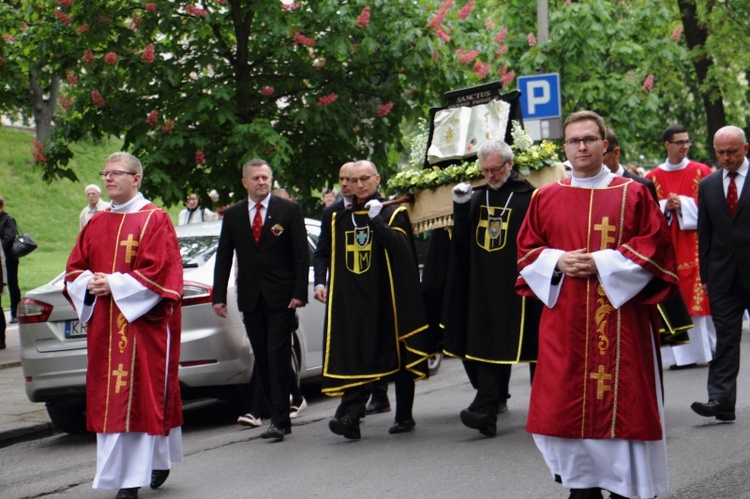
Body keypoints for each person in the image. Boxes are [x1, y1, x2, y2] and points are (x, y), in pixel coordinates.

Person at [516, 111, 678, 499]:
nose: (582, 147)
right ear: (565, 148)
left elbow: (656, 246)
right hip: (566, 324)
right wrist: (557, 260)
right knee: (562, 407)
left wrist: (604, 262)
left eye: (590, 139)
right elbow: (526, 251)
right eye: (574, 141)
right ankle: (580, 486)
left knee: (625, 409)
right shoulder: (546, 197)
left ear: (605, 145)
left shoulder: (634, 192)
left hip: (622, 323)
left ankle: (627, 488)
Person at [65, 152, 183, 499]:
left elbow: (162, 272)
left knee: (141, 398)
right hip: (104, 328)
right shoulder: (96, 223)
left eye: (116, 173)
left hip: (143, 326)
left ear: (137, 179)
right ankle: (128, 473)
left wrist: (114, 285)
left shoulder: (154, 219)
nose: (108, 179)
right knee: (110, 399)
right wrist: (87, 284)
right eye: (105, 173)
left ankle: (132, 481)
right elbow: (74, 268)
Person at [323, 160, 432, 439]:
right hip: (356, 299)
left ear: (377, 179)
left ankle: (404, 415)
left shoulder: (394, 213)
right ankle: (349, 417)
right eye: (354, 180)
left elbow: (400, 249)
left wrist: (377, 221)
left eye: (364, 179)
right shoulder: (340, 217)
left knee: (400, 354)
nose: (359, 185)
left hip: (389, 298)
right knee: (356, 353)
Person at [442, 140, 541, 437]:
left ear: (509, 165)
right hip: (484, 284)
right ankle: (486, 409)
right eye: (485, 170)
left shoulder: (530, 196)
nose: (491, 175)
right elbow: (461, 241)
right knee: (485, 344)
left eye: (496, 169)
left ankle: (544, 408)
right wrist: (460, 208)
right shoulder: (476, 197)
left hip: (521, 284)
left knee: (534, 347)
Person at [212, 159, 309, 442]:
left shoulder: (288, 210)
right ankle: (273, 411)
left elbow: (300, 254)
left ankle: (280, 420)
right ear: (245, 182)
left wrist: (299, 293)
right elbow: (224, 257)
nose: (261, 182)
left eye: (265, 177)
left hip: (282, 299)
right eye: (255, 178)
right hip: (251, 298)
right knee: (263, 359)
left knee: (278, 355)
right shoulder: (233, 215)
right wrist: (219, 296)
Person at [603, 129, 693, 348]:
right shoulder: (589, 188)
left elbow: (655, 233)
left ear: (615, 153)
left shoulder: (641, 185)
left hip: (635, 269)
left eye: (602, 155)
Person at [691, 126, 750, 422]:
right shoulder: (709, 185)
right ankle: (720, 400)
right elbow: (705, 232)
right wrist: (706, 276)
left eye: (732, 152)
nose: (725, 158)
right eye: (720, 152)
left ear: (745, 149)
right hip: (723, 277)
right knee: (725, 339)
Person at [645, 125, 715, 369]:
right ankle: (678, 357)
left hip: (695, 245)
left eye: (687, 142)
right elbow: (649, 212)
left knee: (698, 301)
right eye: (679, 142)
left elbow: (711, 207)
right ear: (667, 145)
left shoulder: (702, 171)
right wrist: (665, 205)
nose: (685, 146)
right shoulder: (652, 177)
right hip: (668, 247)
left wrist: (684, 204)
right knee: (673, 298)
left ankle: (707, 350)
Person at [0, 196, 20, 325]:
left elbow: (8, 238)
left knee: (12, 284)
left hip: (9, 259)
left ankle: (15, 313)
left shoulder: (8, 220)